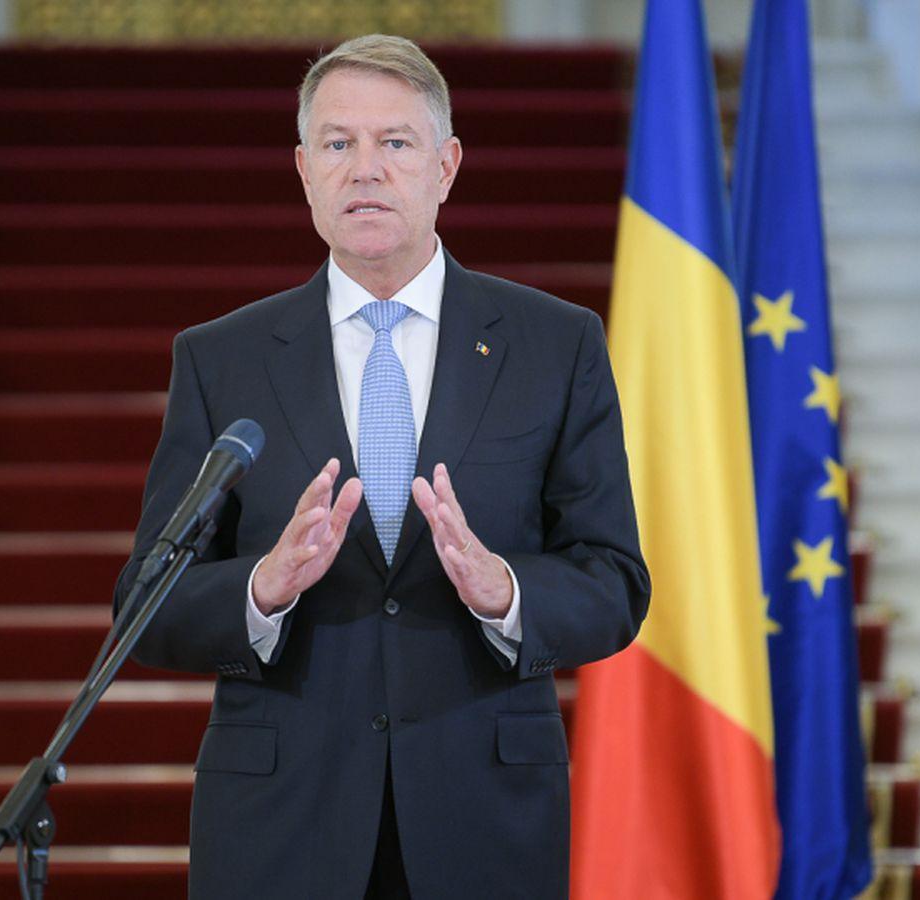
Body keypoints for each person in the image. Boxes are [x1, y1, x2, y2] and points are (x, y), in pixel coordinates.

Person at [114, 34, 650, 900]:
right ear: (304, 171)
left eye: (394, 142)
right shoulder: (222, 359)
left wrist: (506, 591)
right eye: (338, 143)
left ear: (446, 166)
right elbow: (146, 605)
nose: (364, 168)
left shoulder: (557, 346)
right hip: (279, 826)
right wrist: (262, 589)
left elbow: (616, 582)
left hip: (485, 821)